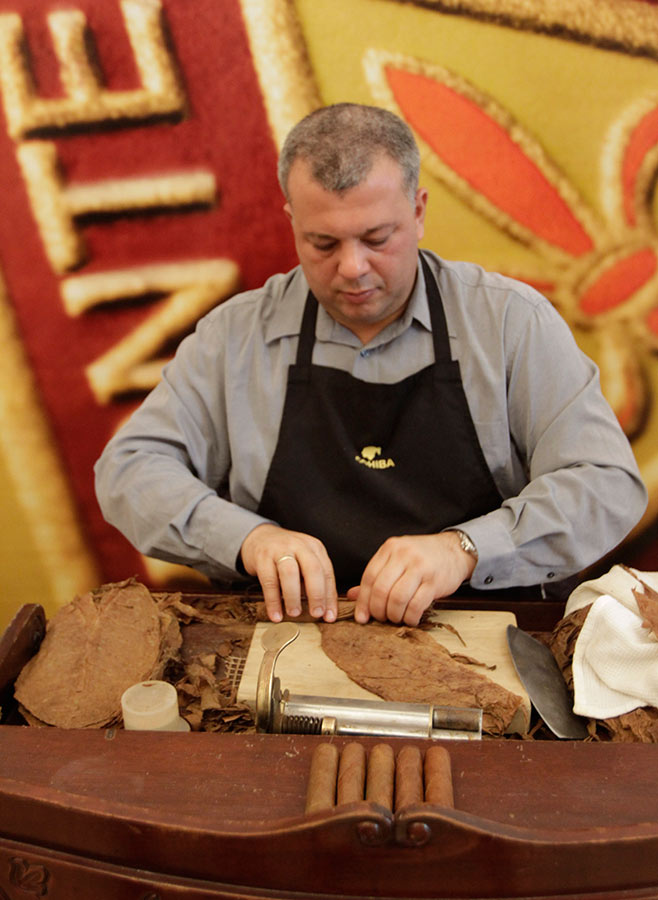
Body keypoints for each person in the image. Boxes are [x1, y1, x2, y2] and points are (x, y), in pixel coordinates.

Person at [95, 103, 647, 628]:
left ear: (419, 210)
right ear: (292, 221)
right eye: (323, 243)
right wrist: (248, 539)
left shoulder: (509, 323)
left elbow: (606, 485)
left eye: (377, 238)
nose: (353, 268)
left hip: (488, 628)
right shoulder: (234, 336)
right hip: (286, 635)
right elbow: (130, 469)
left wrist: (468, 548)